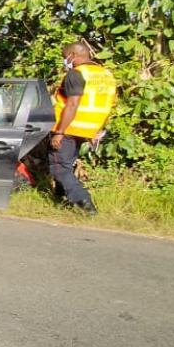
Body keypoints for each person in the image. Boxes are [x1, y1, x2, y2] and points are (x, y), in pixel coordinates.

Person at [49, 39, 117, 215]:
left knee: (58, 167)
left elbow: (72, 104)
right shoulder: (105, 75)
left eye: (66, 57)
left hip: (69, 128)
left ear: (73, 55)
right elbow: (107, 106)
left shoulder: (77, 74)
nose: (65, 61)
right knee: (66, 164)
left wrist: (59, 133)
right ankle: (62, 200)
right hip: (88, 129)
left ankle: (84, 201)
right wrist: (96, 131)